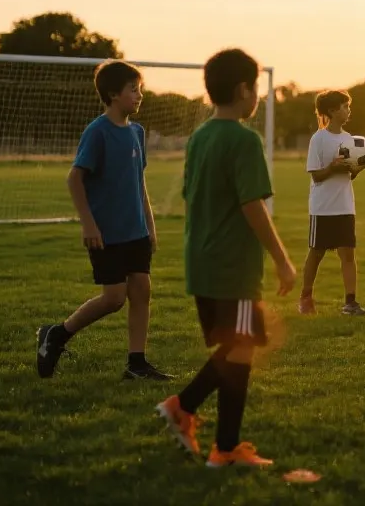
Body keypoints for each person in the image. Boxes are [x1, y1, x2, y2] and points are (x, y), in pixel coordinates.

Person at [156, 48, 297, 467]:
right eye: (255, 88)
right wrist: (282, 259)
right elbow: (252, 205)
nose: (258, 96)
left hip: (200, 259)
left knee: (239, 348)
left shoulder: (200, 137)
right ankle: (185, 409)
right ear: (243, 90)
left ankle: (223, 448)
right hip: (232, 264)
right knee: (242, 346)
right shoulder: (243, 139)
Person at [36, 60, 171, 381]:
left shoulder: (137, 133)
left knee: (141, 292)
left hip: (135, 231)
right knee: (114, 299)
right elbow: (74, 179)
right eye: (133, 89)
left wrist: (149, 225)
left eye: (140, 88)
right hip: (106, 233)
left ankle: (136, 363)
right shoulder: (97, 132)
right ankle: (57, 334)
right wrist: (89, 224)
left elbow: (139, 184)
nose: (140, 95)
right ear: (113, 94)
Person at [299, 89, 365, 316]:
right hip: (323, 208)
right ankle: (305, 298)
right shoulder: (318, 139)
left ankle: (350, 303)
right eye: (345, 106)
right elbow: (316, 176)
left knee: (348, 255)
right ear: (332, 110)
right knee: (316, 253)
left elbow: (349, 175)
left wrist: (356, 168)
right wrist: (332, 166)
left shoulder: (350, 140)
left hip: (345, 206)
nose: (348, 110)